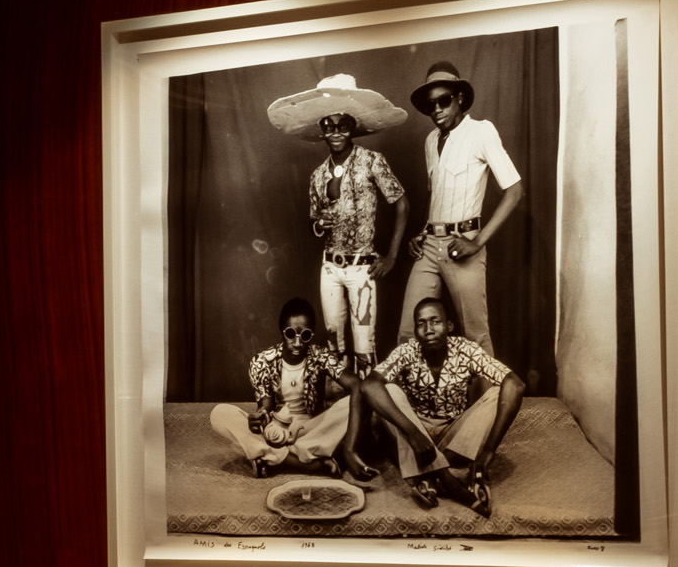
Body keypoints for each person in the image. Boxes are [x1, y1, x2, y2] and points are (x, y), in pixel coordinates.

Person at [265, 71, 405, 364]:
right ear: (322, 130)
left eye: (343, 125)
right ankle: (338, 393)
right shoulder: (318, 175)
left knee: (364, 346)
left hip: (362, 267)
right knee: (333, 344)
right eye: (329, 126)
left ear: (352, 127)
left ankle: (366, 394)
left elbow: (402, 204)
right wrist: (318, 224)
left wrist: (391, 257)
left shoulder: (371, 161)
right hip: (330, 268)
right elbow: (312, 221)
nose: (336, 131)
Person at [399, 61, 522, 350]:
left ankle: (487, 384)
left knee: (475, 336)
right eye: (431, 104)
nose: (437, 109)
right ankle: (413, 383)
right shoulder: (431, 140)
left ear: (460, 98)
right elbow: (435, 193)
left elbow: (515, 191)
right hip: (430, 245)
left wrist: (477, 242)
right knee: (409, 333)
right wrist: (422, 232)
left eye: (444, 101)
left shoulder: (481, 132)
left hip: (462, 243)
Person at [371, 296, 521, 514]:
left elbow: (515, 385)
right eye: (421, 324)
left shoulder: (466, 349)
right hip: (416, 437)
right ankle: (448, 480)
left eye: (435, 321)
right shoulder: (407, 351)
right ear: (415, 331)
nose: (428, 330)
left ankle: (427, 472)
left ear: (449, 326)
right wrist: (413, 433)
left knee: (499, 392)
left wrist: (489, 451)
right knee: (389, 390)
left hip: (454, 438)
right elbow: (369, 385)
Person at [208, 296, 367, 482]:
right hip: (278, 431)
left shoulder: (320, 355)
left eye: (305, 335)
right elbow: (265, 406)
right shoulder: (262, 361)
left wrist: (350, 447)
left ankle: (272, 457)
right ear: (281, 333)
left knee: (361, 399)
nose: (298, 343)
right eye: (291, 334)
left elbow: (356, 384)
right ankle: (306, 463)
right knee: (220, 413)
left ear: (311, 335)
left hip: (312, 429)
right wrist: (258, 418)